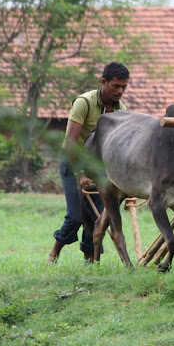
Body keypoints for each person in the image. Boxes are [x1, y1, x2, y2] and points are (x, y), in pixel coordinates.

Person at [47, 61, 130, 263]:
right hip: (73, 163)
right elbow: (70, 143)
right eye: (116, 86)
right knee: (76, 216)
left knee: (96, 218)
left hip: (98, 168)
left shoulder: (122, 111)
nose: (120, 91)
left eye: (124, 87)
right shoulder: (84, 103)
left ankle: (90, 262)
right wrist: (81, 174)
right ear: (104, 82)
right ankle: (55, 251)